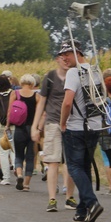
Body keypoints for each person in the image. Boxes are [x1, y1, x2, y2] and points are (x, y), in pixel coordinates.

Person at [59, 40, 105, 222]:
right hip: (94, 126)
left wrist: (63, 123)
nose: (64, 58)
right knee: (85, 166)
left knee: (74, 167)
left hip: (76, 127)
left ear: (77, 52)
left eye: (67, 54)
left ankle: (92, 203)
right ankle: (81, 210)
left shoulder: (73, 72)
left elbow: (68, 102)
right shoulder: (95, 71)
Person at [31, 51, 77, 212]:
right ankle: (52, 198)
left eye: (67, 58)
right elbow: (42, 102)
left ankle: (69, 196)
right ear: (57, 59)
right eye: (62, 58)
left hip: (72, 123)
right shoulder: (50, 77)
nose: (65, 61)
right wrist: (36, 126)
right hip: (53, 122)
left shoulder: (76, 75)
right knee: (53, 162)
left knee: (70, 162)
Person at [7, 74, 41, 191]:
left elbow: (9, 111)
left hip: (19, 128)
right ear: (32, 84)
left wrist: (7, 125)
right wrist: (39, 129)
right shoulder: (37, 96)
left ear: (21, 83)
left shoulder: (15, 94)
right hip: (32, 129)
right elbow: (40, 114)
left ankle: (19, 174)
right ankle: (26, 184)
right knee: (31, 156)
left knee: (19, 155)